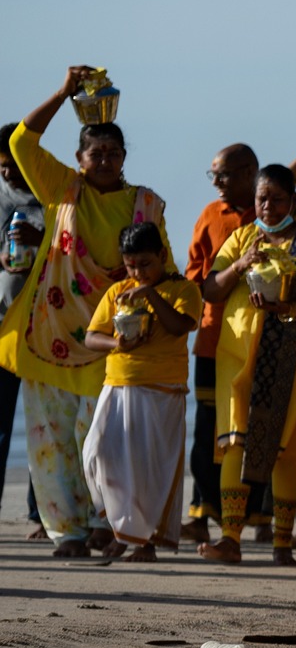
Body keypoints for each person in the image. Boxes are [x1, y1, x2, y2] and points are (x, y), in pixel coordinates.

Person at [0, 67, 171, 557]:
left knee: (103, 438)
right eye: (95, 153)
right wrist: (62, 92)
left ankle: (105, 522)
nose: (105, 160)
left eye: (113, 153)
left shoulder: (145, 205)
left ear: (124, 158)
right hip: (51, 333)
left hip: (112, 337)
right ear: (79, 159)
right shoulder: (61, 189)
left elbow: (164, 267)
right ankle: (67, 532)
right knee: (50, 439)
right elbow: (21, 142)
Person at [199, 165, 296, 565]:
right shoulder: (242, 237)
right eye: (263, 198)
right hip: (238, 353)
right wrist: (241, 264)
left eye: (278, 199)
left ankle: (283, 543)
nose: (269, 206)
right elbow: (211, 289)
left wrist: (292, 307)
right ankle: (230, 538)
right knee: (235, 441)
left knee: (286, 445)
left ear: (292, 201)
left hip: (293, 352)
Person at [80, 223, 200, 560]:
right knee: (97, 454)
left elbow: (180, 327)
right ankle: (123, 528)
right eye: (130, 265)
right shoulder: (118, 291)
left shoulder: (183, 289)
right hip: (117, 384)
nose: (138, 273)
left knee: (147, 469)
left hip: (162, 388)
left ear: (162, 255)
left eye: (145, 264)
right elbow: (91, 337)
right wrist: (116, 344)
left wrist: (150, 295)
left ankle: (143, 542)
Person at [181, 142, 258, 547]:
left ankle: (260, 516)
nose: (216, 182)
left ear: (249, 173)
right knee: (208, 429)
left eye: (223, 174)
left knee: (257, 425)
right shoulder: (211, 214)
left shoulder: (272, 213)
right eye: (213, 174)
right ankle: (201, 514)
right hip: (212, 337)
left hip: (258, 339)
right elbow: (195, 275)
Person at [0, 125, 45, 525]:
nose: (8, 173)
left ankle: (41, 513)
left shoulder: (52, 195)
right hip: (4, 329)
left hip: (44, 330)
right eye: (1, 166)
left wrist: (41, 240)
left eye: (13, 164)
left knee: (44, 426)